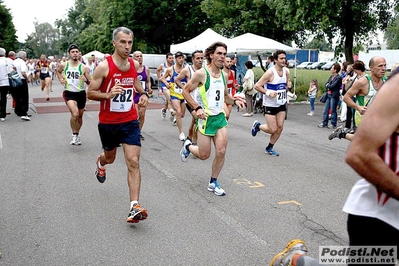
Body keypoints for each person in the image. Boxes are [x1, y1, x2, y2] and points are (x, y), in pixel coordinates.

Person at [87, 27, 149, 223]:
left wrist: (144, 94)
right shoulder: (104, 67)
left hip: (130, 120)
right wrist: (108, 94)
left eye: (130, 42)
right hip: (108, 123)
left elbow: (136, 83)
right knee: (110, 158)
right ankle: (101, 162)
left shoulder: (133, 64)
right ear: (114, 43)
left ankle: (134, 206)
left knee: (133, 161)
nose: (127, 46)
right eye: (123, 42)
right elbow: (90, 92)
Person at [343, 67, 399, 265]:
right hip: (378, 215)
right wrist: (358, 108)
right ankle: (299, 260)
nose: (383, 68)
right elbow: (358, 154)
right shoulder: (396, 86)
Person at [180, 42, 245, 196]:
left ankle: (213, 182)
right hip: (205, 119)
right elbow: (185, 91)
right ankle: (188, 147)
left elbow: (225, 97)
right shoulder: (202, 74)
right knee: (204, 155)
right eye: (219, 53)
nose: (222, 57)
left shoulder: (224, 75)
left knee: (221, 151)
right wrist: (197, 108)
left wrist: (235, 101)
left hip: (219, 118)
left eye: (224, 54)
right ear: (211, 55)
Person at [329, 58, 386, 141]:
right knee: (365, 142)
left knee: (367, 141)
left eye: (385, 65)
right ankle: (342, 134)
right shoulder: (362, 82)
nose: (383, 68)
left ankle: (341, 134)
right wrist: (358, 107)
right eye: (380, 66)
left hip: (378, 118)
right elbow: (346, 97)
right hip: (363, 117)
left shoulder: (386, 81)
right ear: (371, 68)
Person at [251, 50, 292, 157]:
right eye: (281, 58)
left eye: (284, 58)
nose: (284, 60)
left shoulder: (286, 71)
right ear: (275, 60)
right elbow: (257, 86)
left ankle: (269, 147)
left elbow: (288, 81)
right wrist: (268, 92)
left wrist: (289, 84)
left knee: (280, 128)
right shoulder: (270, 72)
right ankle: (258, 126)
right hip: (270, 104)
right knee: (272, 129)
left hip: (281, 103)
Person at [57, 44, 91, 145]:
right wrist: (61, 79)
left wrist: (86, 80)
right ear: (69, 54)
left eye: (76, 52)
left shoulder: (84, 67)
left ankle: (77, 134)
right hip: (69, 93)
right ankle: (74, 135)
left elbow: (91, 82)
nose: (75, 54)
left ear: (79, 53)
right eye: (73, 52)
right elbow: (58, 72)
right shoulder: (64, 65)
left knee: (80, 117)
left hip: (80, 94)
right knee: (75, 114)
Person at [175, 49, 204, 144]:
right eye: (198, 58)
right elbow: (177, 79)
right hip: (190, 100)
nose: (200, 60)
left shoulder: (205, 70)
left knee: (194, 121)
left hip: (201, 100)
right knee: (198, 118)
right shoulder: (187, 70)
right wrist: (185, 88)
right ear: (193, 59)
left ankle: (189, 138)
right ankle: (194, 143)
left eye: (201, 58)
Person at [159, 51, 187, 141]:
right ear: (176, 59)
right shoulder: (170, 69)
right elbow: (162, 78)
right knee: (178, 111)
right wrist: (166, 83)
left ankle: (172, 113)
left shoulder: (186, 69)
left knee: (182, 114)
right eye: (179, 58)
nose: (181, 59)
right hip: (174, 93)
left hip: (183, 94)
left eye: (182, 58)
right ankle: (181, 133)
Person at [132, 51, 152, 140]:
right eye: (137, 56)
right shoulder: (131, 68)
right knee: (135, 115)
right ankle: (134, 132)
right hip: (134, 95)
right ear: (133, 58)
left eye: (141, 56)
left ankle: (138, 132)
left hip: (143, 94)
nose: (139, 58)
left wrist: (149, 88)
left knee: (142, 114)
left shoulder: (146, 69)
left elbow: (148, 81)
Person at [317, 63, 342, 129]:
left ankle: (333, 124)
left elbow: (333, 86)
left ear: (335, 70)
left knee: (333, 109)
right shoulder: (331, 77)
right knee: (325, 109)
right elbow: (326, 84)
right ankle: (324, 122)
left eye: (332, 68)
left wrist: (328, 86)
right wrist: (328, 86)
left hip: (334, 95)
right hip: (328, 94)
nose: (331, 69)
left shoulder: (338, 78)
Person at [11, 51, 31, 121]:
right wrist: (27, 79)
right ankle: (23, 112)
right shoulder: (22, 62)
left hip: (14, 79)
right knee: (24, 96)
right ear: (24, 57)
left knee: (17, 96)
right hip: (22, 80)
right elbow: (23, 72)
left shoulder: (14, 61)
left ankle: (18, 110)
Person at [156, 53, 174, 119]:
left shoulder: (174, 66)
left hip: (172, 84)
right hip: (164, 83)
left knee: (168, 99)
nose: (171, 59)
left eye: (172, 58)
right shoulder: (163, 65)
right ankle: (172, 114)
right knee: (170, 98)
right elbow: (157, 70)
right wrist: (159, 78)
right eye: (170, 58)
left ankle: (164, 110)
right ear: (166, 59)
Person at [0, 48, 15, 122]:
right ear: (4, 54)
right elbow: (14, 69)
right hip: (5, 82)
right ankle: (2, 115)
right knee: (3, 98)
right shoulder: (8, 60)